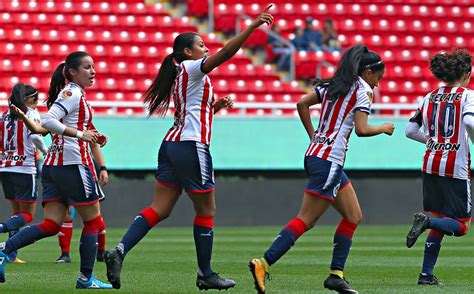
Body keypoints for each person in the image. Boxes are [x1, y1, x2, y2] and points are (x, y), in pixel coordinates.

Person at [103, 5, 274, 291]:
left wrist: (215, 107)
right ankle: (205, 273)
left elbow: (192, 113)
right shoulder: (192, 68)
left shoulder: (186, 74)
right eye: (201, 45)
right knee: (207, 210)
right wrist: (252, 27)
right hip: (191, 146)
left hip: (172, 144)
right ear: (187, 52)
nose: (206, 48)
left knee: (160, 208)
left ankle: (118, 251)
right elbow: (226, 54)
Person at [249, 45, 395, 294]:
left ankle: (336, 275)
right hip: (330, 162)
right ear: (368, 72)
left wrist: (313, 136)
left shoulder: (334, 85)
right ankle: (262, 263)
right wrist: (383, 127)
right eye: (378, 78)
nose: (378, 84)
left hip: (317, 157)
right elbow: (361, 129)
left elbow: (302, 103)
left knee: (353, 216)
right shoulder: (363, 91)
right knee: (306, 219)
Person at [0, 51, 112, 289]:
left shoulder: (70, 95)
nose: (93, 72)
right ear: (72, 72)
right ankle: (85, 279)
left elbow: (53, 125)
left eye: (93, 67)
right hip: (72, 165)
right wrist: (82, 135)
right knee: (93, 222)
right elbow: (49, 121)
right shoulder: (72, 92)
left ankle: (3, 249)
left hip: (53, 166)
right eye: (87, 67)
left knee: (51, 225)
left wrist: (91, 136)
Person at [405, 49, 473, 285]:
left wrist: (433, 141)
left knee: (441, 218)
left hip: (431, 163)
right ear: (466, 73)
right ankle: (427, 223)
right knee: (462, 226)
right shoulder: (467, 96)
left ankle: (426, 275)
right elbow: (468, 121)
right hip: (456, 167)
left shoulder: (429, 96)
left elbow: (410, 131)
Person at [0, 83, 48, 264]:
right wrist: (45, 151)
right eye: (36, 99)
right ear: (28, 100)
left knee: (16, 212)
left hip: (5, 167)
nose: (37, 102)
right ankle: (2, 229)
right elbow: (36, 136)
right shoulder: (30, 114)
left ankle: (10, 254)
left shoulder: (4, 116)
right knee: (28, 215)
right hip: (24, 168)